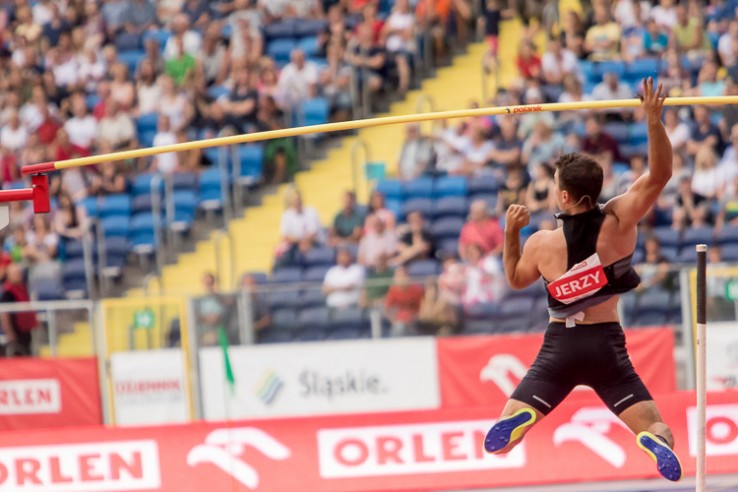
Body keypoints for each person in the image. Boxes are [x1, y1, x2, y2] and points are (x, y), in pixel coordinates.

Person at [484, 79, 682, 483]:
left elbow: (515, 279)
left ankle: (518, 420)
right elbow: (661, 174)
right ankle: (651, 439)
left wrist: (511, 232)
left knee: (502, 443)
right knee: (657, 426)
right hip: (606, 346)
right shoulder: (620, 220)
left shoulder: (541, 243)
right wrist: (653, 119)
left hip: (559, 348)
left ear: (564, 197)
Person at [0, 264, 38, 356]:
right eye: (16, 273)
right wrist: (9, 332)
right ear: (9, 276)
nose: (19, 275)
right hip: (15, 330)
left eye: (20, 273)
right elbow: (5, 314)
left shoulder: (23, 288)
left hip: (25, 330)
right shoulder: (8, 292)